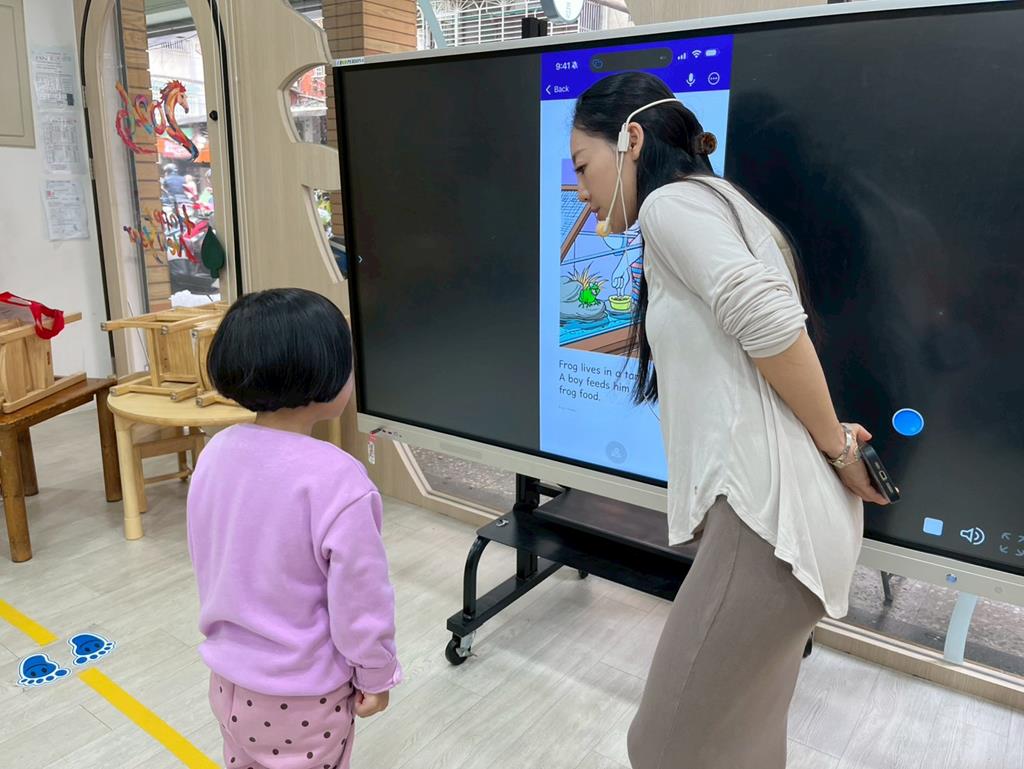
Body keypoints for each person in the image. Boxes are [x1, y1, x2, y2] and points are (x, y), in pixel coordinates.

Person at [570, 71, 889, 769]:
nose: (581, 188)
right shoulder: (724, 203)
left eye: (584, 166)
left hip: (767, 529)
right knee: (747, 741)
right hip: (789, 523)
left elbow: (770, 320)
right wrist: (832, 442)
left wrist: (837, 446)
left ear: (631, 140)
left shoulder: (670, 207)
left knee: (662, 746)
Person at [187, 288, 402, 769]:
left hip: (227, 682)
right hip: (303, 698)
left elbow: (207, 553)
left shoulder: (216, 451)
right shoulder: (339, 479)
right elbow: (361, 601)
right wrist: (377, 675)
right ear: (325, 374)